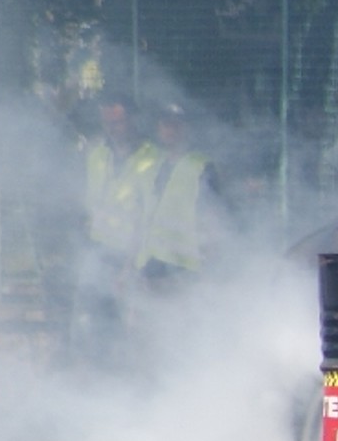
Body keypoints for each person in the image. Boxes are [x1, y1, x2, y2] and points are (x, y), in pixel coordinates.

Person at [71, 93, 160, 363]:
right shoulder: (97, 154)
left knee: (131, 325)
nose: (112, 127)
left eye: (118, 121)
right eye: (107, 121)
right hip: (98, 252)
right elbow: (90, 203)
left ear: (132, 120)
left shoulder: (152, 159)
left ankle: (130, 382)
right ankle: (95, 376)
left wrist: (130, 265)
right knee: (89, 321)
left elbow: (150, 218)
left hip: (132, 254)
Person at [136, 101, 226, 291]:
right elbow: (143, 218)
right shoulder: (152, 166)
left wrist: (209, 270)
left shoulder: (202, 167)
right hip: (151, 264)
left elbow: (214, 220)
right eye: (165, 124)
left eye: (176, 125)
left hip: (185, 270)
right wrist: (131, 268)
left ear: (187, 128)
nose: (170, 130)